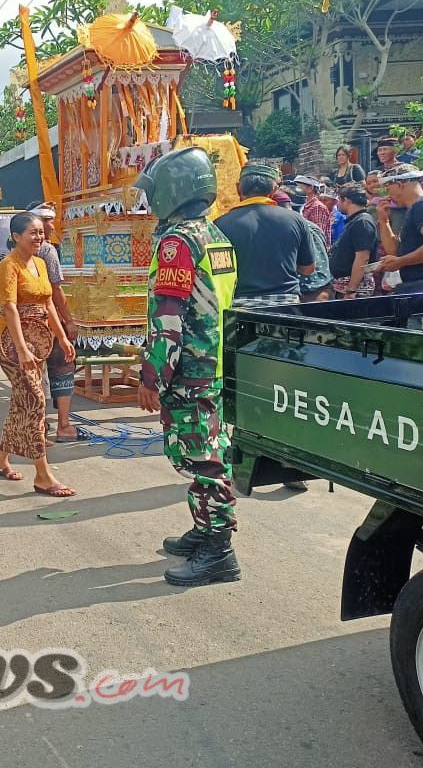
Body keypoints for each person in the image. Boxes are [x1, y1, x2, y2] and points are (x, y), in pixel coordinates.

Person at [133, 146, 241, 587]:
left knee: (204, 456)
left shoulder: (178, 242)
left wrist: (151, 375)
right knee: (203, 450)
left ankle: (219, 551)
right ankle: (203, 530)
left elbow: (169, 319)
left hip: (191, 369)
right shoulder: (216, 236)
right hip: (215, 361)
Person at [0, 212, 76, 497]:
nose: (39, 237)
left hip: (39, 341)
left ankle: (1, 459)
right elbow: (10, 309)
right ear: (16, 237)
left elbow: (49, 303)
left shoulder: (40, 262)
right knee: (36, 401)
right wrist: (22, 348)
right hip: (11, 343)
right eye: (33, 233)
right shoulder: (8, 267)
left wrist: (62, 337)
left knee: (22, 401)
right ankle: (42, 474)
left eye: (41, 232)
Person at [215, 161, 315, 307]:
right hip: (287, 308)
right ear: (274, 190)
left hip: (239, 308)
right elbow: (308, 269)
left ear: (238, 188)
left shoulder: (220, 225)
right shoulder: (295, 220)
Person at [29, 202, 82, 442]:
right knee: (61, 368)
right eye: (45, 222)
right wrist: (68, 322)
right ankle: (63, 424)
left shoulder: (17, 253)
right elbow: (56, 291)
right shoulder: (47, 251)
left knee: (34, 375)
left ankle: (39, 425)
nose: (50, 226)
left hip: (28, 323)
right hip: (47, 321)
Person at [376, 164, 423, 293]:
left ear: (399, 184)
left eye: (388, 189)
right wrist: (384, 220)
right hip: (420, 286)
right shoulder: (413, 209)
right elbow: (394, 251)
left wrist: (401, 262)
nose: (388, 195)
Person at [330, 184, 379, 300]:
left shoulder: (362, 222)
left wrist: (351, 289)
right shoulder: (355, 221)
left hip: (355, 289)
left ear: (346, 200)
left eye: (339, 200)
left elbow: (362, 258)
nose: (337, 204)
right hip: (342, 285)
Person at [294, 175, 334, 247]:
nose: (297, 190)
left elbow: (317, 235)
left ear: (310, 188)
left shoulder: (317, 207)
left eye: (300, 187)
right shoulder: (304, 206)